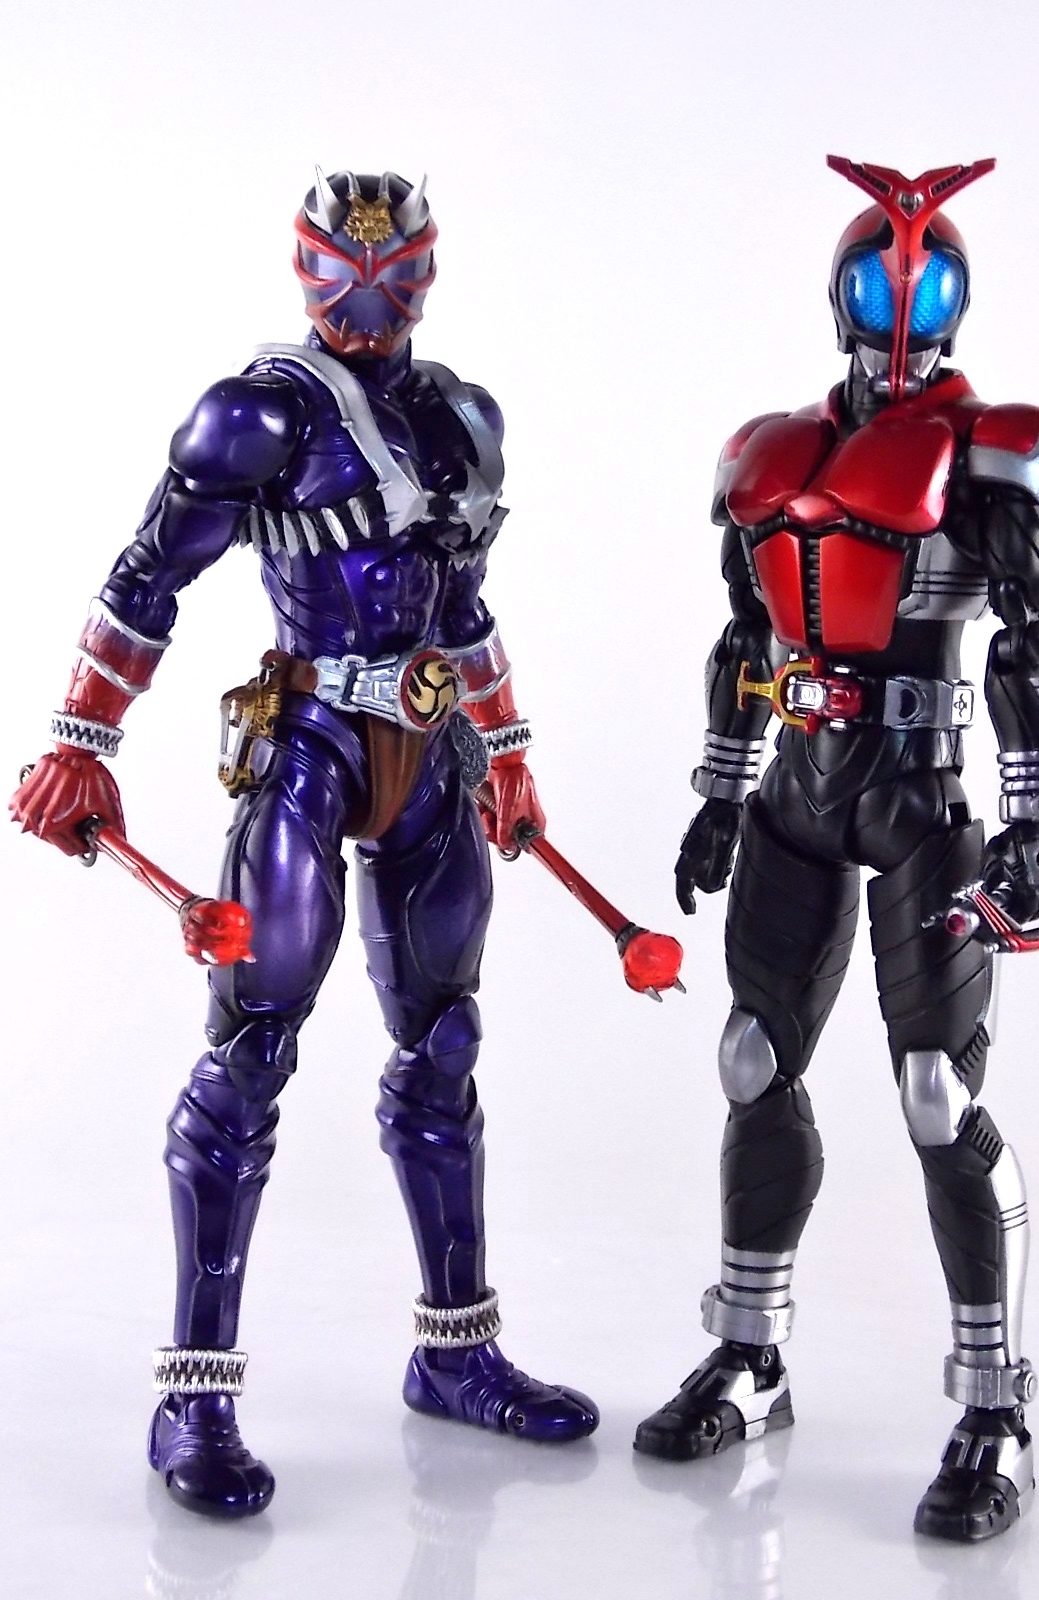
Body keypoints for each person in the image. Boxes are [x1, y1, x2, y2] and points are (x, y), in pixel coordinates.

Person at [11, 168, 597, 1519]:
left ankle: (456, 1353)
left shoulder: (461, 417)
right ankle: (193, 1396)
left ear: (429, 271)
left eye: (396, 267)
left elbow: (463, 608)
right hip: (312, 745)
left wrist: (508, 752)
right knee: (249, 1056)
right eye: (347, 265)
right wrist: (79, 741)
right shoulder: (258, 414)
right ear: (308, 267)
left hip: (431, 754)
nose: (370, 291)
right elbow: (148, 576)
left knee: (442, 1042)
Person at [634, 157, 1039, 1542]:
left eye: (926, 288)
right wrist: (720, 791)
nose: (902, 315)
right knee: (751, 1059)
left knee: (937, 1094)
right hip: (798, 785)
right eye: (882, 289)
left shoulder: (996, 449)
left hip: (921, 798)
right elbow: (744, 637)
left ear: (958, 302)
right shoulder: (766, 455)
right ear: (840, 299)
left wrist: (1032, 826)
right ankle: (751, 1355)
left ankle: (997, 1413)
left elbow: (1030, 645)